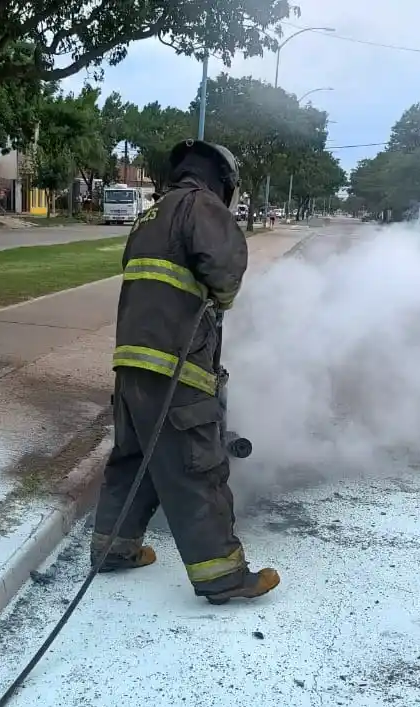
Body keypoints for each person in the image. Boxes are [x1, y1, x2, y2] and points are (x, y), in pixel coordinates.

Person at [91, 139, 280, 605]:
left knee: (135, 461)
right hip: (177, 367)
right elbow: (226, 273)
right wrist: (222, 299)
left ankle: (113, 550)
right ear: (224, 181)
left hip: (131, 364)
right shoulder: (202, 207)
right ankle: (223, 576)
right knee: (198, 465)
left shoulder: (150, 216)